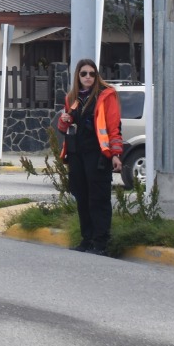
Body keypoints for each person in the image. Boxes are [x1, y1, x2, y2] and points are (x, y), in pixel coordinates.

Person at [56, 59, 124, 255]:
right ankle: (87, 239)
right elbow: (63, 128)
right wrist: (64, 120)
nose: (88, 77)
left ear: (97, 76)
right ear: (78, 76)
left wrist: (116, 154)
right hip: (77, 153)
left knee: (98, 198)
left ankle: (101, 242)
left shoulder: (106, 95)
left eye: (92, 74)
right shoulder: (72, 98)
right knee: (81, 197)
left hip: (98, 154)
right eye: (84, 73)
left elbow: (114, 127)